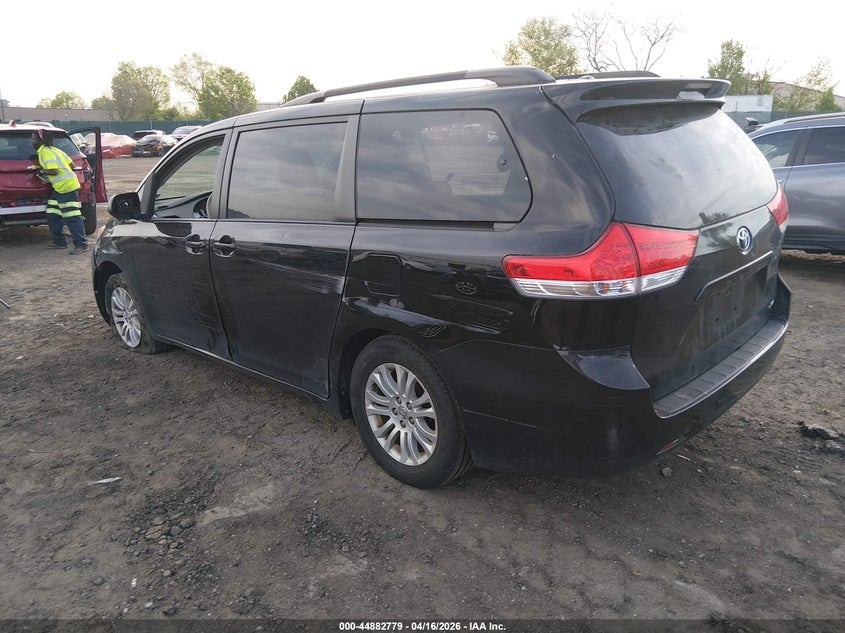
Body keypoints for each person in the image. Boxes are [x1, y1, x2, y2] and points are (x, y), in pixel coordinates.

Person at [31, 128, 88, 254]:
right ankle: (60, 242)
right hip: (61, 188)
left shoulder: (45, 152)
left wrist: (41, 171)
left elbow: (54, 171)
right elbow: (72, 166)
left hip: (66, 188)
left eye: (34, 139)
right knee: (52, 214)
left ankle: (81, 245)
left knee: (72, 217)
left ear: (41, 140)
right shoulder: (56, 150)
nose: (32, 141)